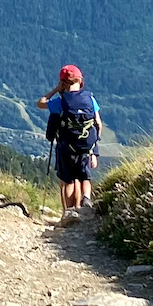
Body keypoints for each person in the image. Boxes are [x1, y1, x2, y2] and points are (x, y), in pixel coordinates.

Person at [36, 64, 101, 225]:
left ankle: (69, 213)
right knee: (85, 176)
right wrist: (94, 147)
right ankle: (86, 198)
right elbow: (98, 123)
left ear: (63, 83)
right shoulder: (90, 99)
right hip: (86, 148)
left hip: (66, 148)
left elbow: (41, 103)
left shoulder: (60, 102)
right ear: (80, 81)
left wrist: (54, 90)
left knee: (68, 180)